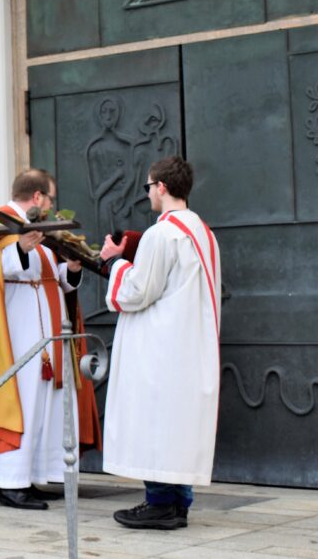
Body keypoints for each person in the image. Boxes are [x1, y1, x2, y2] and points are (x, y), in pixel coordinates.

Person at [0, 169, 101, 510]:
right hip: (14, 339)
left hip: (47, 340)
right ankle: (10, 483)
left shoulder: (41, 234)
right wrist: (20, 250)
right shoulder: (1, 225)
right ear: (38, 198)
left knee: (43, 408)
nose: (53, 204)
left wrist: (70, 269)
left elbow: (52, 279)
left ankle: (31, 476)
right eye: (51, 198)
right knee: (22, 407)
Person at [99, 156, 221, 530]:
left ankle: (160, 504)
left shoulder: (162, 232)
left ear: (161, 187)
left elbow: (137, 292)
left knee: (156, 422)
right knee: (177, 425)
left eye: (149, 187)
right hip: (188, 342)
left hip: (160, 346)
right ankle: (179, 503)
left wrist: (113, 264)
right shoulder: (202, 231)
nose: (148, 193)